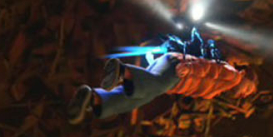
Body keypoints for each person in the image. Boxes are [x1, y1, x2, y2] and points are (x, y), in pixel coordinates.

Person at [67, 29, 256, 123]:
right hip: (178, 69)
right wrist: (188, 68)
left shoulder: (224, 87)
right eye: (248, 89)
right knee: (153, 86)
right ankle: (122, 71)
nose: (244, 95)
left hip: (173, 76)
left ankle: (94, 100)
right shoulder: (233, 76)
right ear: (244, 74)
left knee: (139, 99)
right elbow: (209, 68)